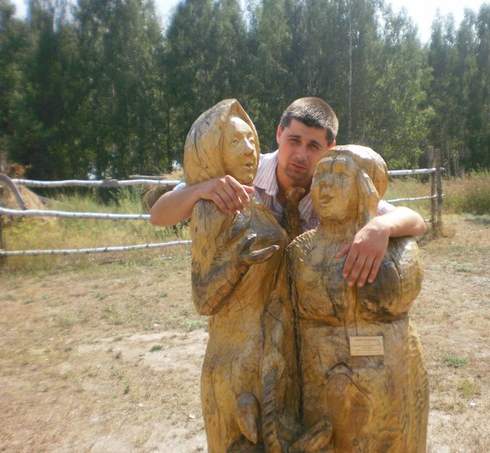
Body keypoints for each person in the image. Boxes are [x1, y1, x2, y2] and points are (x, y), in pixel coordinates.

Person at [150, 97, 426, 286]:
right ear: (279, 134)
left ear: (329, 149)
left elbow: (415, 221)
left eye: (313, 146)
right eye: (294, 140)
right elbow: (159, 215)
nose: (301, 155)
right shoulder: (244, 172)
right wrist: (201, 189)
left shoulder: (334, 188)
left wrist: (381, 226)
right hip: (254, 310)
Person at [264, 145, 429, 451]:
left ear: (365, 186)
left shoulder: (396, 246)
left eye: (340, 173)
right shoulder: (299, 252)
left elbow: (413, 227)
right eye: (321, 174)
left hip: (389, 378)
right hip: (319, 384)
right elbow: (279, 317)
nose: (325, 183)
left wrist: (378, 226)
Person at [182, 99, 288, 451]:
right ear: (213, 152)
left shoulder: (254, 206)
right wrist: (235, 262)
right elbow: (203, 299)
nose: (248, 149)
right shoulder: (212, 209)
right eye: (235, 141)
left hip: (268, 356)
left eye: (251, 140)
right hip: (232, 362)